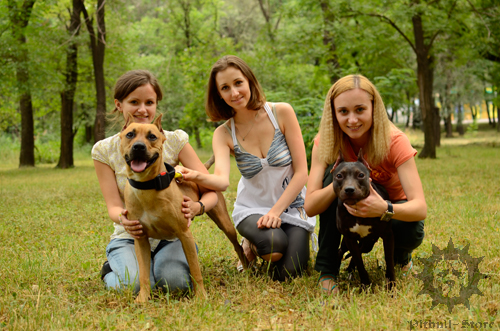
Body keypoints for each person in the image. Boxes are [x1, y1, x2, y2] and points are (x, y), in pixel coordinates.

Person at [176, 55, 316, 281]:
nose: (234, 93)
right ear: (219, 94)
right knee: (274, 244)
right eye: (225, 88)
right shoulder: (223, 133)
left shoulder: (282, 113)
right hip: (253, 209)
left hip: (290, 206)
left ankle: (269, 241)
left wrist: (275, 212)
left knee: (289, 274)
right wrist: (193, 174)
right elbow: (222, 181)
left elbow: (302, 173)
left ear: (249, 81)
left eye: (238, 83)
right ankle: (251, 240)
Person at [91, 70, 218, 295]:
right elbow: (113, 206)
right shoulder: (104, 150)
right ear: (119, 105)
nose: (142, 109)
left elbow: (212, 189)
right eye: (134, 102)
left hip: (170, 236)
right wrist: (123, 218)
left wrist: (198, 207)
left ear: (156, 105)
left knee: (175, 283)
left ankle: (168, 262)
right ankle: (113, 268)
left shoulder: (174, 140)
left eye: (149, 102)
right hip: (131, 236)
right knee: (132, 286)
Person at [304, 74, 427, 294]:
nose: (352, 120)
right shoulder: (326, 141)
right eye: (343, 111)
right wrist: (339, 185)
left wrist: (385, 209)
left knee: (410, 231)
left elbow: (420, 208)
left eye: (360, 110)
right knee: (334, 179)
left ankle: (401, 256)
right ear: (333, 113)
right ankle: (327, 271)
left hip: (390, 207)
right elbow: (311, 206)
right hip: (347, 209)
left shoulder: (395, 141)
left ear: (374, 109)